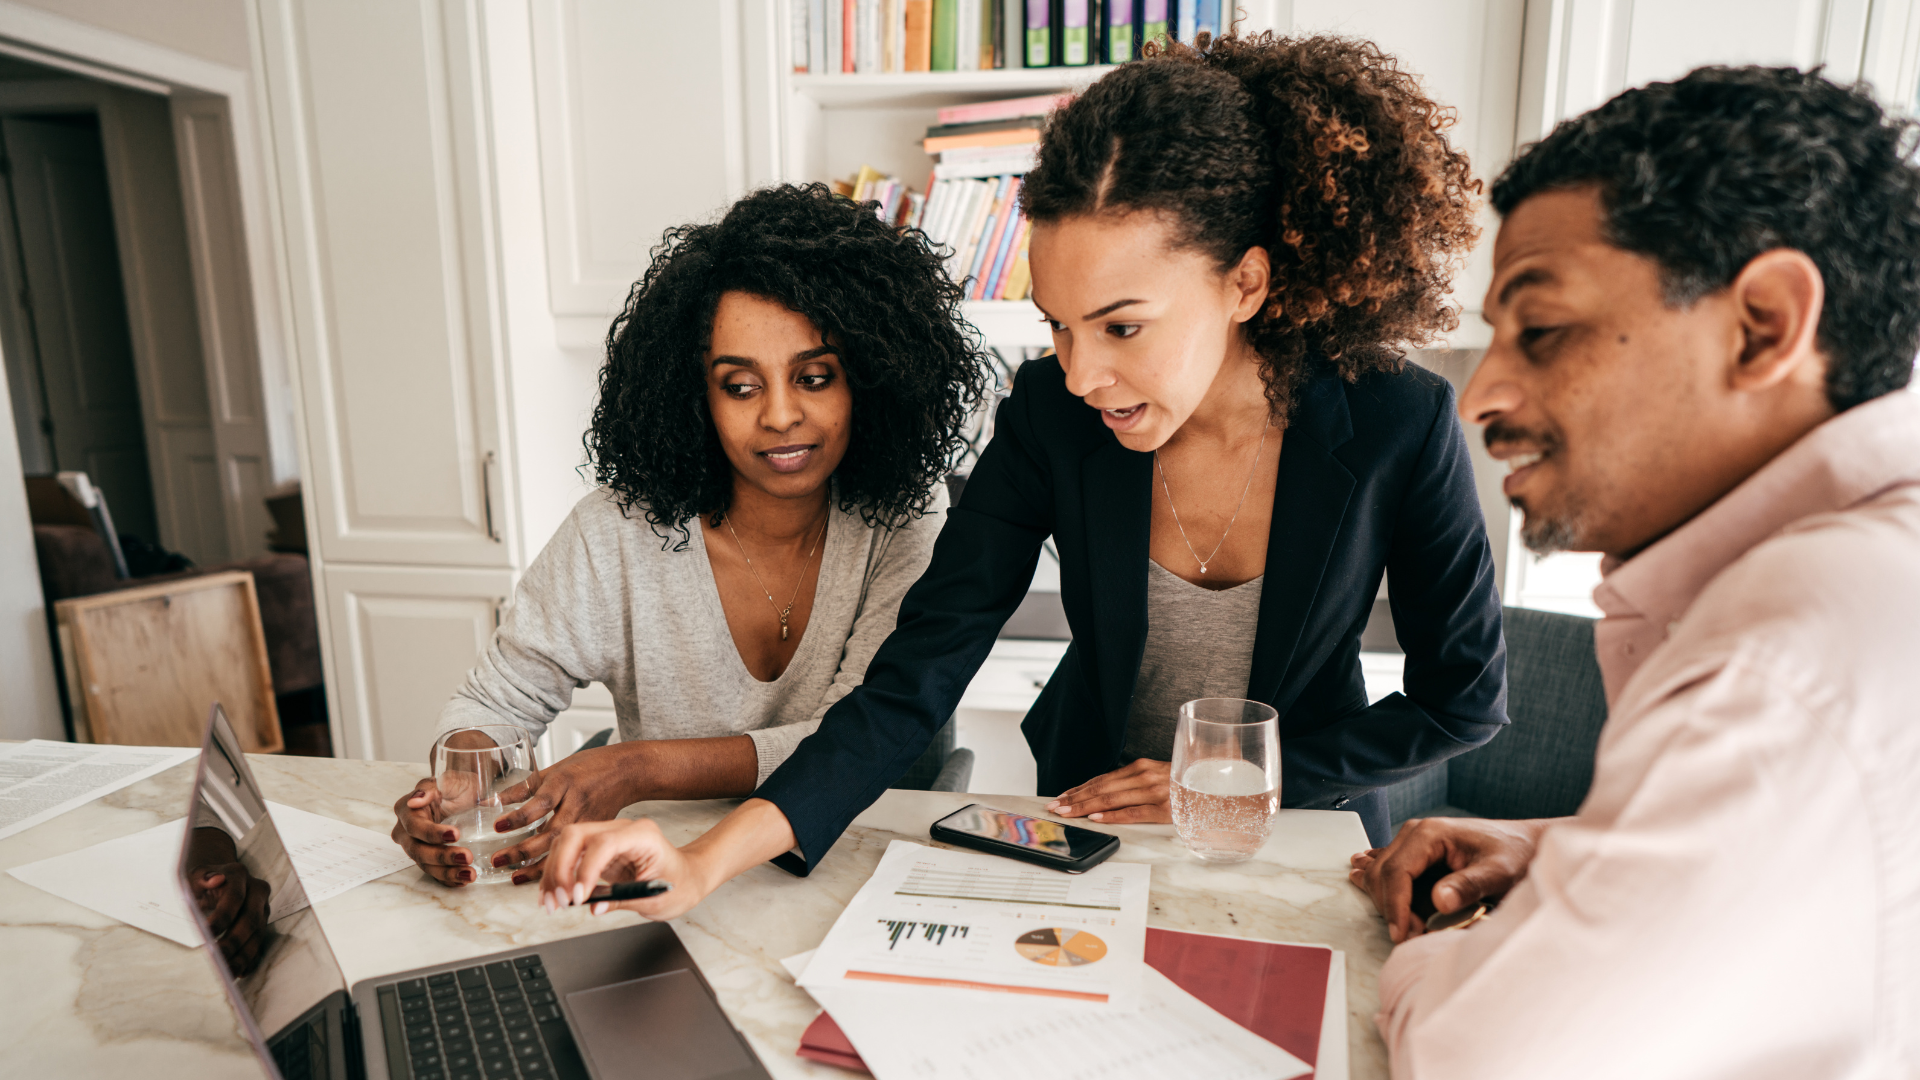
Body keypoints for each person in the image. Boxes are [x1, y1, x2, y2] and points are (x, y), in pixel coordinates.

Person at [537, 33, 1509, 918]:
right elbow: (913, 680)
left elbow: (1461, 700)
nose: (1082, 374)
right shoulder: (1051, 411)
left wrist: (1243, 778)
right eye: (1057, 323)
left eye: (1122, 325)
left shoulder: (1396, 421)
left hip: (1287, 823)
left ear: (1245, 284)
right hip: (1086, 818)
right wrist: (707, 860)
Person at [1345, 66, 1920, 1076]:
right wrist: (1563, 858)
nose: (1480, 397)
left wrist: (1451, 960)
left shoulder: (1784, 649)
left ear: (1764, 324)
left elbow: (1480, 1059)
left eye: (1543, 330)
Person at [389, 184, 984, 886]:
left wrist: (635, 764)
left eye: (815, 377)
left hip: (856, 860)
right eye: (740, 386)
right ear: (693, 395)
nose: (781, 416)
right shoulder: (616, 530)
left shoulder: (903, 518)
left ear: (871, 381)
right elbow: (495, 703)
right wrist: (459, 783)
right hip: (659, 868)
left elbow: (859, 736)